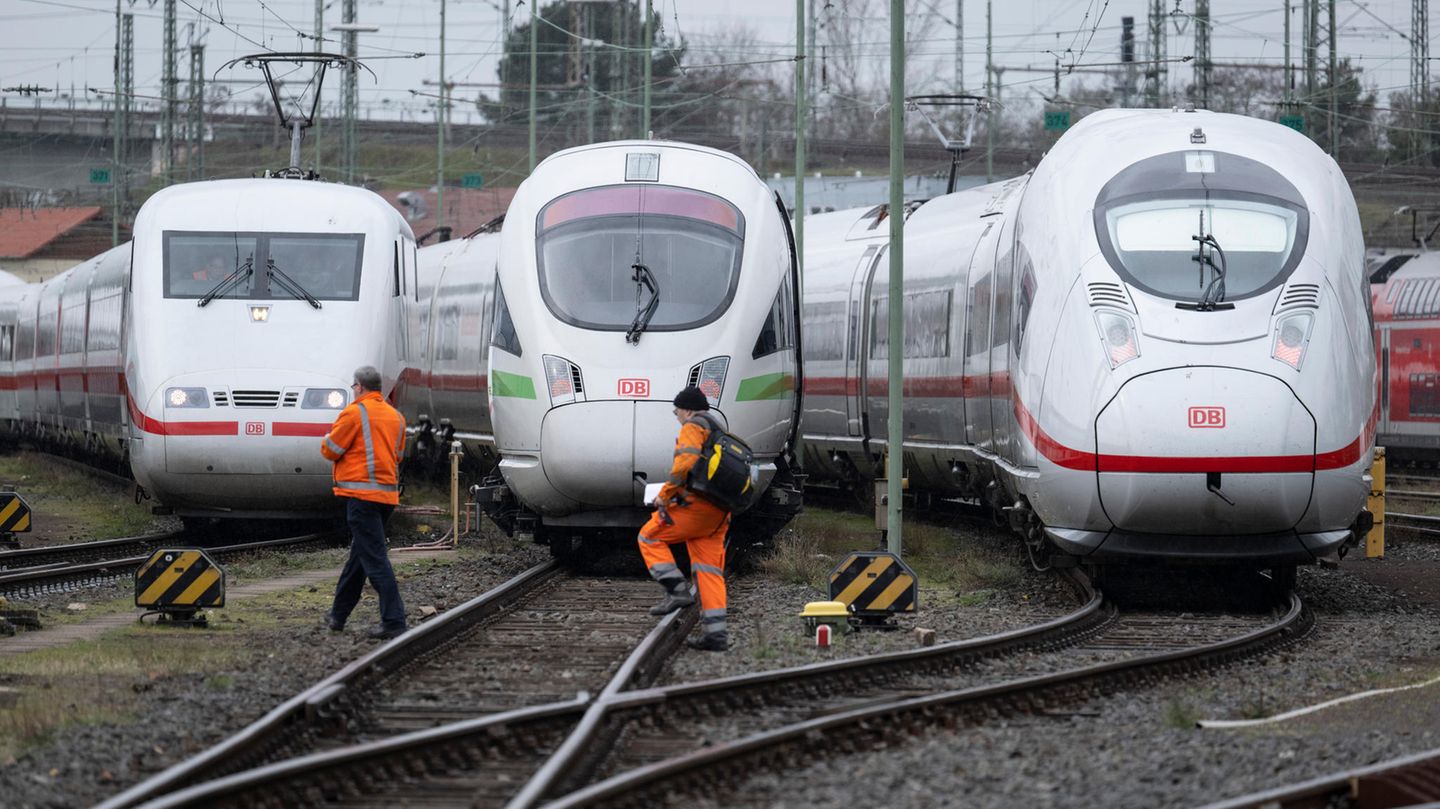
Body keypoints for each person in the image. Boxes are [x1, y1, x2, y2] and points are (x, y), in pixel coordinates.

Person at [637, 385, 732, 652]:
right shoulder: (717, 428)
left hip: (697, 507)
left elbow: (685, 463)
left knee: (649, 536)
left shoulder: (693, 425)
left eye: (676, 411)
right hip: (719, 512)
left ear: (687, 410)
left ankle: (676, 590)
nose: (677, 416)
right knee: (708, 571)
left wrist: (665, 495)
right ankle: (716, 636)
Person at [322, 365, 409, 640]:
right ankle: (337, 615)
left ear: (359, 386)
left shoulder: (354, 413)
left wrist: (327, 438)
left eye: (353, 387)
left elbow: (331, 450)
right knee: (359, 559)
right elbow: (398, 455)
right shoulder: (396, 417)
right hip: (387, 497)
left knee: (374, 559)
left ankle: (394, 620)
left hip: (362, 497)